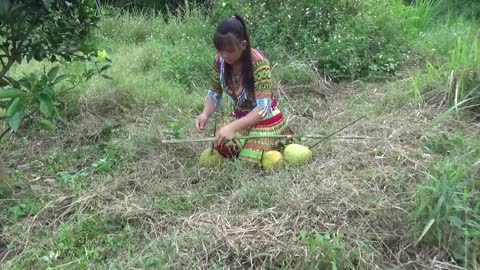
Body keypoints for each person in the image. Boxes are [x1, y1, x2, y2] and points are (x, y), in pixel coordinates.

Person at [195, 13, 294, 163]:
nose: (224, 56)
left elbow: (263, 109)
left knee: (249, 160)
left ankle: (273, 139)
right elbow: (214, 92)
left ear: (243, 45)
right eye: (220, 50)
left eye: (229, 51)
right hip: (241, 115)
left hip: (265, 117)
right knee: (222, 148)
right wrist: (205, 114)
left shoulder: (259, 63)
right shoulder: (220, 61)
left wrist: (233, 127)